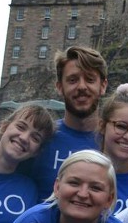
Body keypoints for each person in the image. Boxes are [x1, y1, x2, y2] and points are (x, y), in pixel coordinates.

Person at [25, 46, 109, 200]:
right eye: (73, 80)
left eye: (90, 79)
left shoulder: (117, 141)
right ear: (59, 87)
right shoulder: (41, 138)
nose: (82, 86)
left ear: (103, 86)